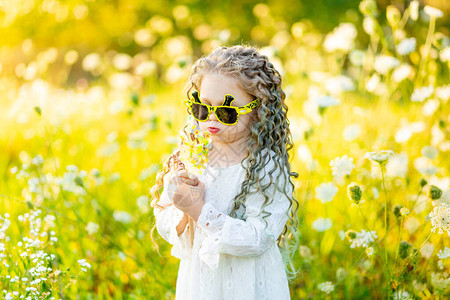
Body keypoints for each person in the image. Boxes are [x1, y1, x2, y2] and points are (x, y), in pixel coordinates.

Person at [149, 44, 301, 300]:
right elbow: (164, 215)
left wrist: (199, 211)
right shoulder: (192, 155)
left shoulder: (266, 167)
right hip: (200, 282)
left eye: (226, 112)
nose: (211, 119)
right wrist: (182, 211)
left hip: (248, 283)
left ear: (257, 111)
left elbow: (259, 237)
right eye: (202, 107)